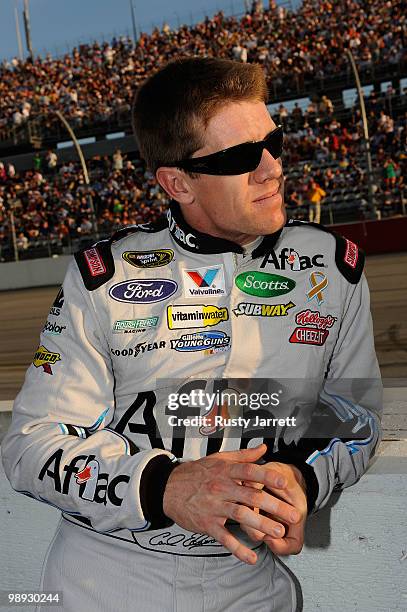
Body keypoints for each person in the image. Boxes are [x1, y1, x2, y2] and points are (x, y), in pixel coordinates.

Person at [2, 58, 382, 612]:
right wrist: (167, 487)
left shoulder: (332, 268)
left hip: (251, 583)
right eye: (240, 158)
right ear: (177, 182)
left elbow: (355, 417)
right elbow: (31, 444)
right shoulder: (106, 277)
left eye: (274, 143)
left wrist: (298, 476)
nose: (272, 168)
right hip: (106, 581)